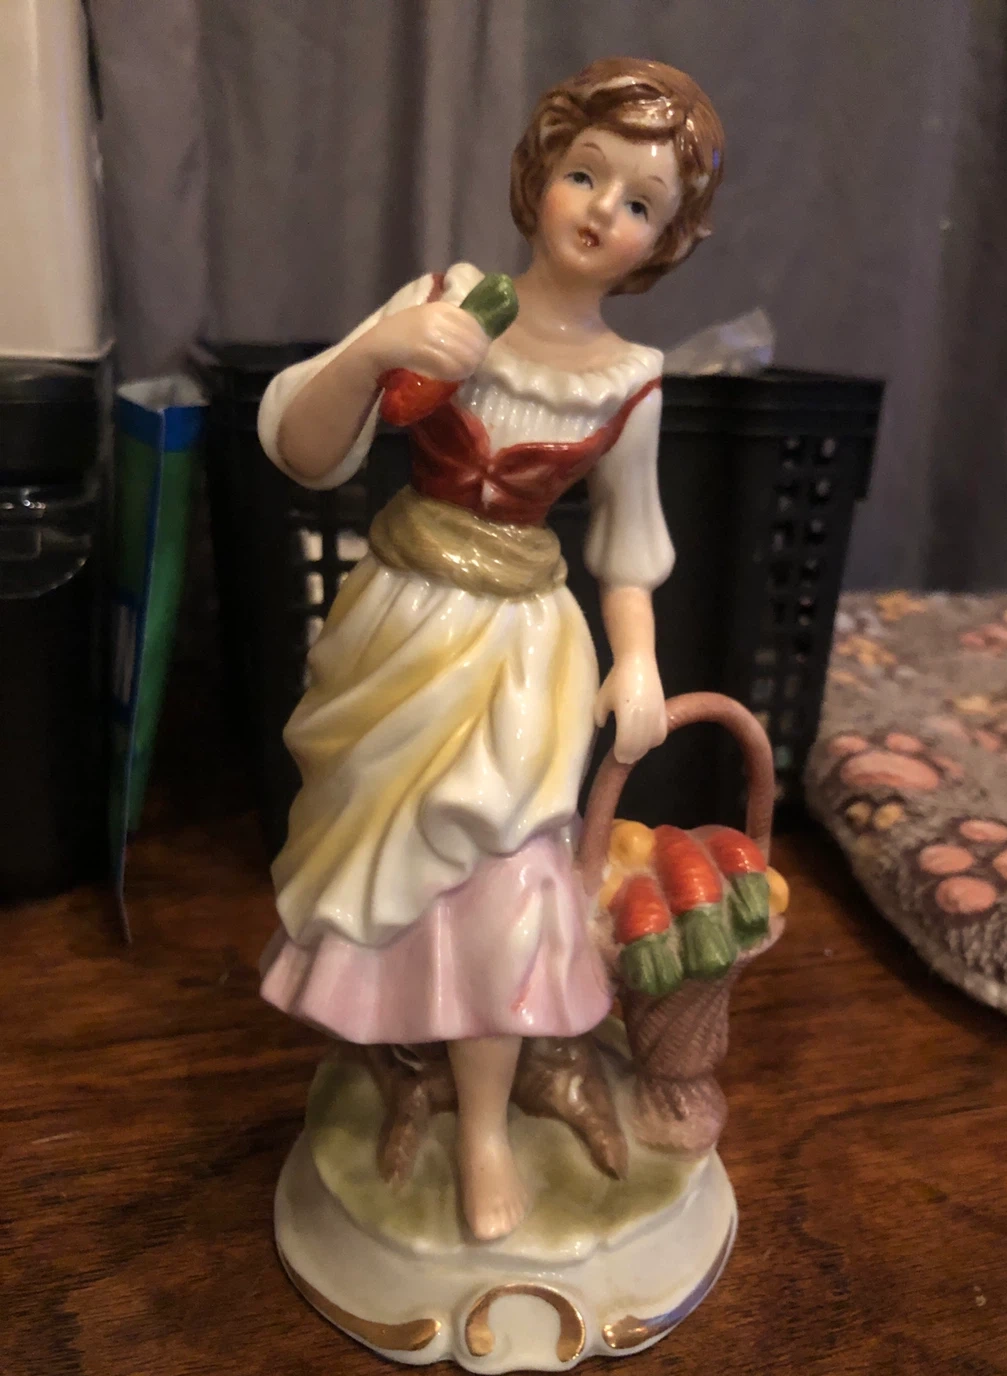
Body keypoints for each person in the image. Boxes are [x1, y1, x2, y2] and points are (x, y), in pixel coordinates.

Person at [256, 58, 724, 1241]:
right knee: (395, 856)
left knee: (507, 879)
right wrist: (376, 351)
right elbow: (305, 450)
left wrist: (636, 659)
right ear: (540, 171)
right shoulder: (453, 298)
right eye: (586, 174)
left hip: (520, 651)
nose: (601, 212)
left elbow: (628, 549)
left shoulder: (631, 381)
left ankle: (482, 1124)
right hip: (402, 626)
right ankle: (399, 1057)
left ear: (666, 241)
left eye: (639, 203)